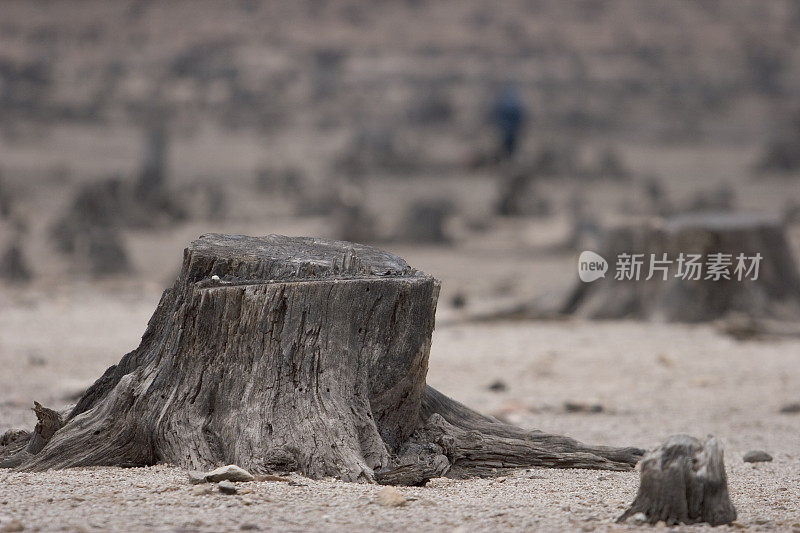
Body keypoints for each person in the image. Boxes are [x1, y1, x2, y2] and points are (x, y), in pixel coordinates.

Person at [492, 84, 526, 160]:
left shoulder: (508, 103)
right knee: (508, 143)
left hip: (508, 129)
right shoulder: (514, 103)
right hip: (509, 129)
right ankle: (507, 157)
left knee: (509, 143)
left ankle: (508, 157)